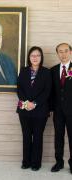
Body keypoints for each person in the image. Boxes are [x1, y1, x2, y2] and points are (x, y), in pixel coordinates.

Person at [17, 46, 51, 171]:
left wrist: (34, 103)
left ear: (41, 57)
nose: (35, 57)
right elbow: (19, 88)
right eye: (32, 55)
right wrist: (26, 103)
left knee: (37, 136)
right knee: (26, 136)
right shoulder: (24, 70)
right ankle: (26, 162)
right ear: (29, 57)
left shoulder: (46, 72)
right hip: (24, 109)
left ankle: (36, 163)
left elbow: (47, 91)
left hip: (40, 110)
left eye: (38, 55)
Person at [51, 43, 72, 173]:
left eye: (66, 51)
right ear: (57, 53)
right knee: (58, 137)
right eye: (60, 51)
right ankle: (59, 162)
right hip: (58, 111)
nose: (63, 54)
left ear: (70, 52)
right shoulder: (52, 70)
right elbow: (51, 91)